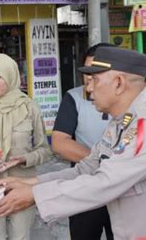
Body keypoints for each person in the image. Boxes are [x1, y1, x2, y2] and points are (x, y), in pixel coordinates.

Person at [0, 46, 146, 239]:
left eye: (95, 80)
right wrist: (31, 183)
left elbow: (107, 181)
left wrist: (35, 196)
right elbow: (87, 169)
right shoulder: (121, 122)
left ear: (119, 83)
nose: (89, 88)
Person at [0, 53, 52, 240]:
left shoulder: (30, 107)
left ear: (11, 76)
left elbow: (45, 150)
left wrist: (23, 159)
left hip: (22, 183)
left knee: (20, 237)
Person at [51, 43, 114, 240]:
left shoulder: (132, 100)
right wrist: (101, 161)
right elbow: (60, 142)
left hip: (122, 187)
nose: (90, 78)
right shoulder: (74, 98)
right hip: (85, 186)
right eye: (87, 71)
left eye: (96, 73)